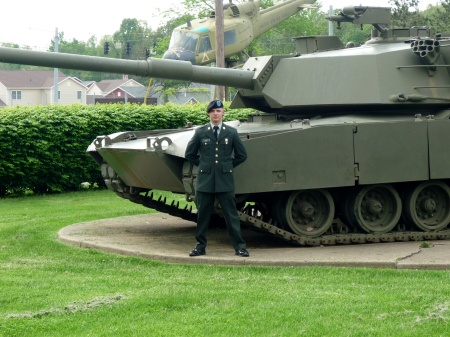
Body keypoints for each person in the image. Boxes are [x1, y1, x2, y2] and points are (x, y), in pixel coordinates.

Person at [185, 99, 249, 257]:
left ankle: (239, 247)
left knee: (231, 215)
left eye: (218, 111)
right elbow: (189, 154)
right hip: (205, 181)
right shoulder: (200, 132)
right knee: (203, 215)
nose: (215, 114)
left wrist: (227, 166)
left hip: (224, 180)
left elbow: (242, 155)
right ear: (209, 113)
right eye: (213, 111)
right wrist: (204, 165)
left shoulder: (231, 132)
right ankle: (200, 246)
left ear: (223, 113)